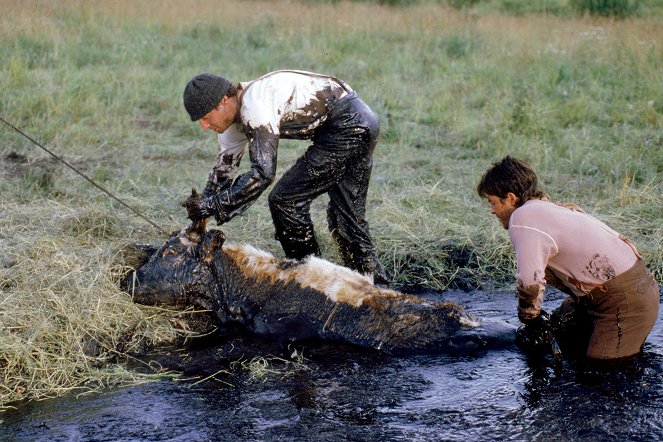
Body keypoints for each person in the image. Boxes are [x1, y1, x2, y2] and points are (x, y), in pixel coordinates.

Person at [180, 69, 386, 284]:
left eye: (205, 117)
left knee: (286, 201)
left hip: (349, 124)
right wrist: (200, 211)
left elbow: (262, 174)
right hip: (361, 119)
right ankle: (376, 288)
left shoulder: (255, 104)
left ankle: (309, 281)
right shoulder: (233, 125)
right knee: (346, 216)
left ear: (223, 100)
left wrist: (213, 205)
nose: (204, 126)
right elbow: (221, 176)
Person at [477, 155, 659, 360]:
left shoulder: (522, 218)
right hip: (627, 288)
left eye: (492, 202)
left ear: (510, 197)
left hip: (624, 303)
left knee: (602, 376)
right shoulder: (547, 209)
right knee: (561, 334)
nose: (492, 211)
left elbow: (529, 282)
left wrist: (530, 318)